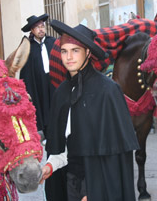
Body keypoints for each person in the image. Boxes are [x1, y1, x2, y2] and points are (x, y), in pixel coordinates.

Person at [40, 20, 139, 200]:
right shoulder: (61, 93)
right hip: (69, 183)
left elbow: (115, 158)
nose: (69, 57)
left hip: (99, 188)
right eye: (64, 51)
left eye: (75, 51)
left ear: (87, 53)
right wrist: (50, 166)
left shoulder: (108, 91)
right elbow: (62, 148)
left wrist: (92, 192)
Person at [20, 14, 56, 139]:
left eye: (42, 26)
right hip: (38, 83)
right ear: (32, 30)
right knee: (42, 106)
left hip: (53, 81)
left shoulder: (53, 42)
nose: (41, 29)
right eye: (37, 27)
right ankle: (47, 133)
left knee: (55, 104)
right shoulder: (28, 47)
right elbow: (25, 70)